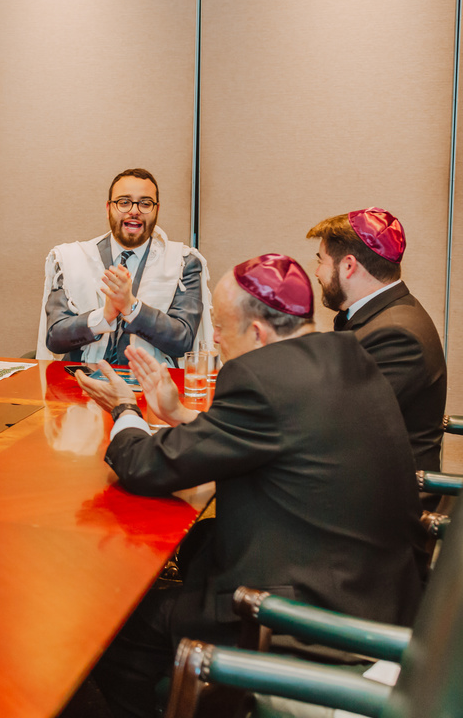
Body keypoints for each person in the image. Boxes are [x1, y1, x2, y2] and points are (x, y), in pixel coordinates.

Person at [74, 253, 424, 718]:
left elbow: (146, 467)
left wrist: (125, 410)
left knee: (110, 629)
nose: (213, 338)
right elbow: (276, 435)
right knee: (198, 542)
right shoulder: (344, 355)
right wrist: (178, 414)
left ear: (258, 334)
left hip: (308, 617)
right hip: (377, 588)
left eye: (219, 326)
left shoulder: (261, 380)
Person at [307, 208, 446, 482]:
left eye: (321, 261)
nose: (316, 272)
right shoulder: (385, 313)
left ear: (348, 265)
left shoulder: (396, 334)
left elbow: (336, 425)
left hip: (387, 498)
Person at [37, 168, 212, 364]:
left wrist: (132, 308)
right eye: (124, 202)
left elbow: (183, 339)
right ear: (108, 208)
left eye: (145, 203)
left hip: (151, 387)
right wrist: (104, 316)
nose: (134, 210)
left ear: (157, 210)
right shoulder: (70, 259)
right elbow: (54, 337)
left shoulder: (183, 262)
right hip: (80, 385)